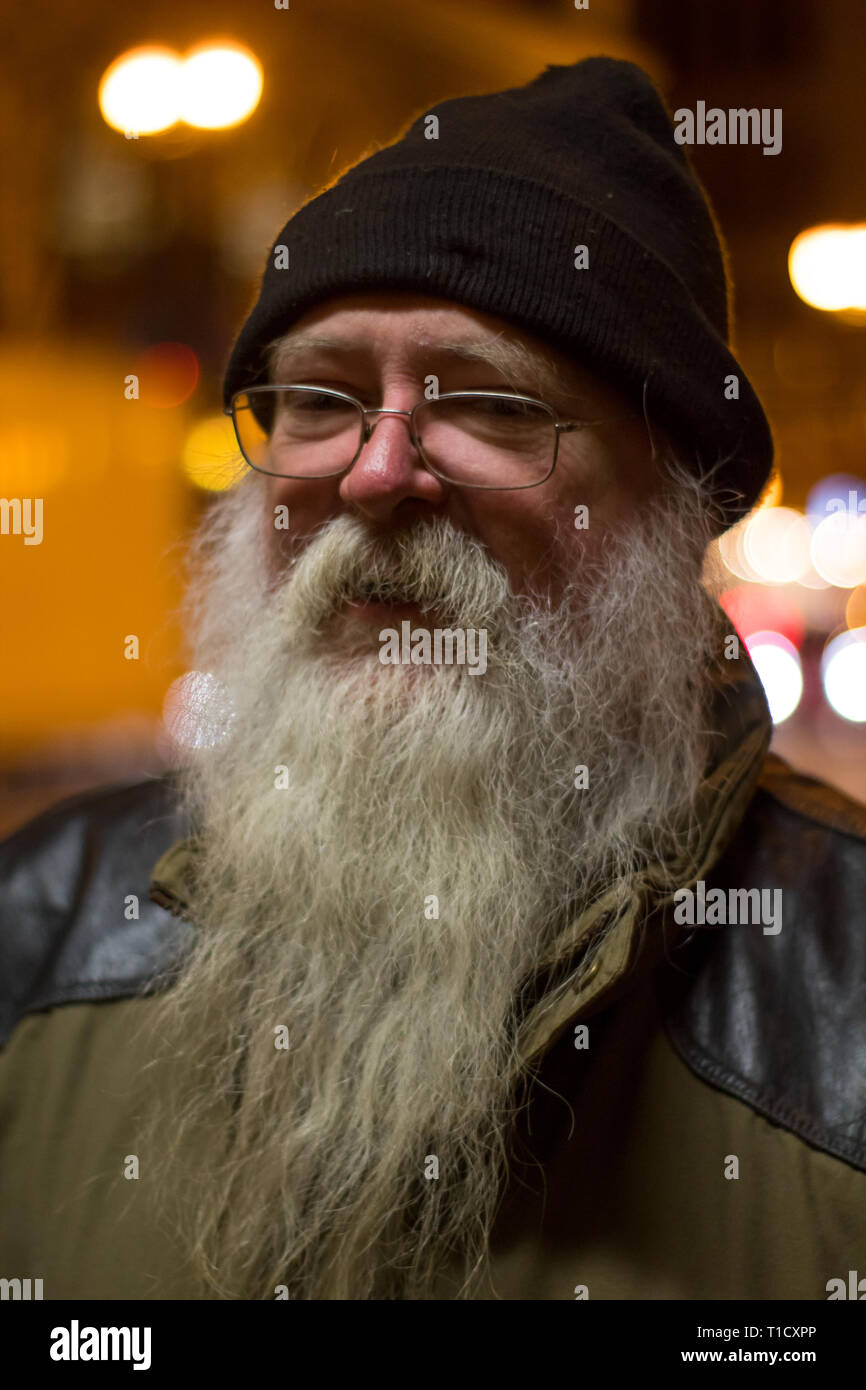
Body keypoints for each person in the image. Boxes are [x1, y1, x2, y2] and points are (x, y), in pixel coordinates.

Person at [1, 56, 864, 1302]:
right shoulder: (41, 928)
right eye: (320, 397)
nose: (374, 471)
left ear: (670, 511)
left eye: (492, 404)